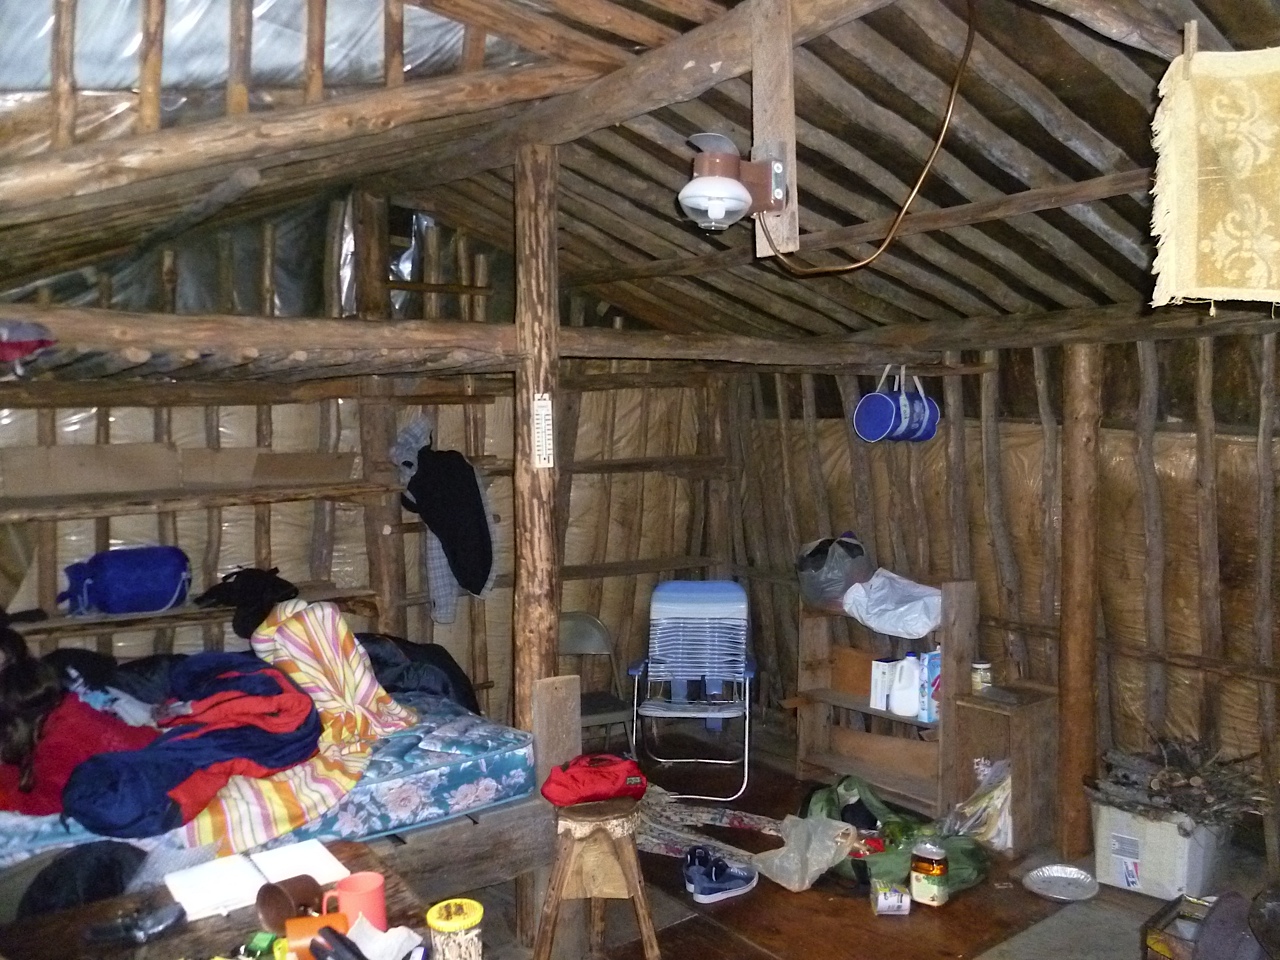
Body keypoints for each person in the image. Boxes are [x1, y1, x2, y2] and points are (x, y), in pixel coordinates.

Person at [0, 631, 157, 816]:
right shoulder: (62, 709)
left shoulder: (60, 739)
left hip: (151, 784)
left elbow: (47, 804)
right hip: (152, 755)